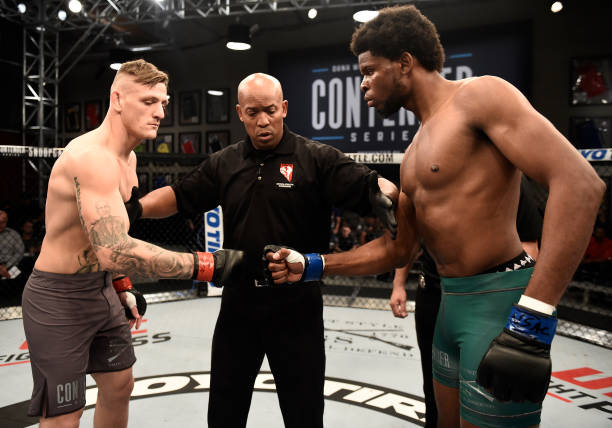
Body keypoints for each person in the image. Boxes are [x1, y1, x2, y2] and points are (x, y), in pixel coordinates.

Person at [265, 5, 605, 428]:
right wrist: (312, 264)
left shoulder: (480, 96)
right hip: (449, 306)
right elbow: (399, 250)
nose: (363, 83)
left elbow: (581, 184)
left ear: (405, 63)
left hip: (498, 302)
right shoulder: (412, 155)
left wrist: (535, 315)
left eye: (369, 71)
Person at [132, 72, 397, 428]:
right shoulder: (225, 162)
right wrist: (135, 209)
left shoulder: (315, 158)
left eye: (270, 110)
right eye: (253, 112)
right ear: (239, 113)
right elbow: (180, 196)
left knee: (304, 414)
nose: (263, 121)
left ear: (284, 108)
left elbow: (368, 183)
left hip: (297, 306)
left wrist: (384, 193)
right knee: (224, 413)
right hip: (239, 305)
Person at [21, 59, 244, 428]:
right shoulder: (91, 158)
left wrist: (121, 283)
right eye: (148, 101)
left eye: (164, 103)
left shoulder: (129, 159)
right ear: (118, 99)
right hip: (58, 298)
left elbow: (106, 232)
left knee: (119, 386)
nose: (160, 113)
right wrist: (207, 265)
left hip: (101, 288)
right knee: (63, 416)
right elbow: (113, 248)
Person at [391, 179, 544, 428]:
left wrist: (516, 301)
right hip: (434, 294)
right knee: (434, 384)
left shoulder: (508, 178)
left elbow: (529, 246)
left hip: (487, 300)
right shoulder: (423, 175)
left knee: (485, 391)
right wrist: (399, 284)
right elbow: (410, 238)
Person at [0, 209, 25, 281]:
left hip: (11, 266)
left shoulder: (14, 234)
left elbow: (19, 252)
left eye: (3, 222)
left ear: (7, 221)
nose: (0, 225)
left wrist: (6, 266)